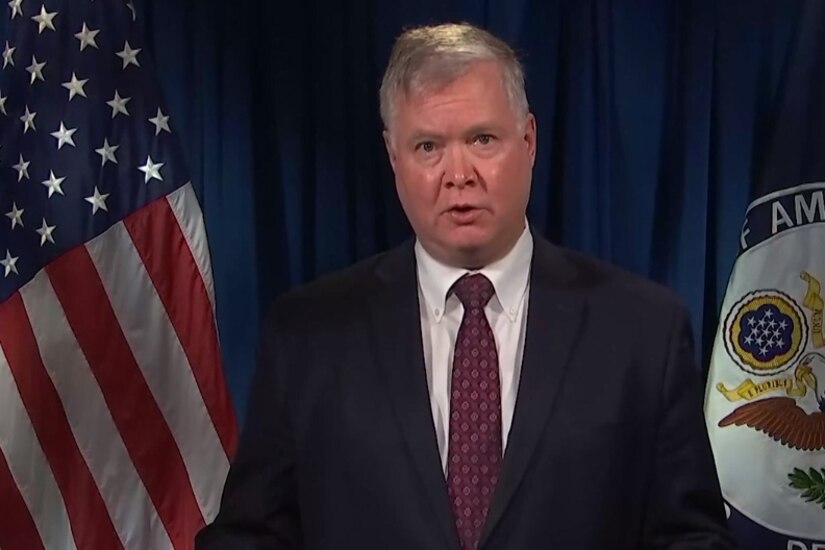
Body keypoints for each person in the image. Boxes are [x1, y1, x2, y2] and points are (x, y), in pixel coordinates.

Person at [196, 22, 735, 550]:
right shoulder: (307, 335)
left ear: (528, 141)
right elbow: (253, 535)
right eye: (428, 146)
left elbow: (691, 537)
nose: (459, 173)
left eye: (482, 139)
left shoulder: (642, 330)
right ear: (393, 157)